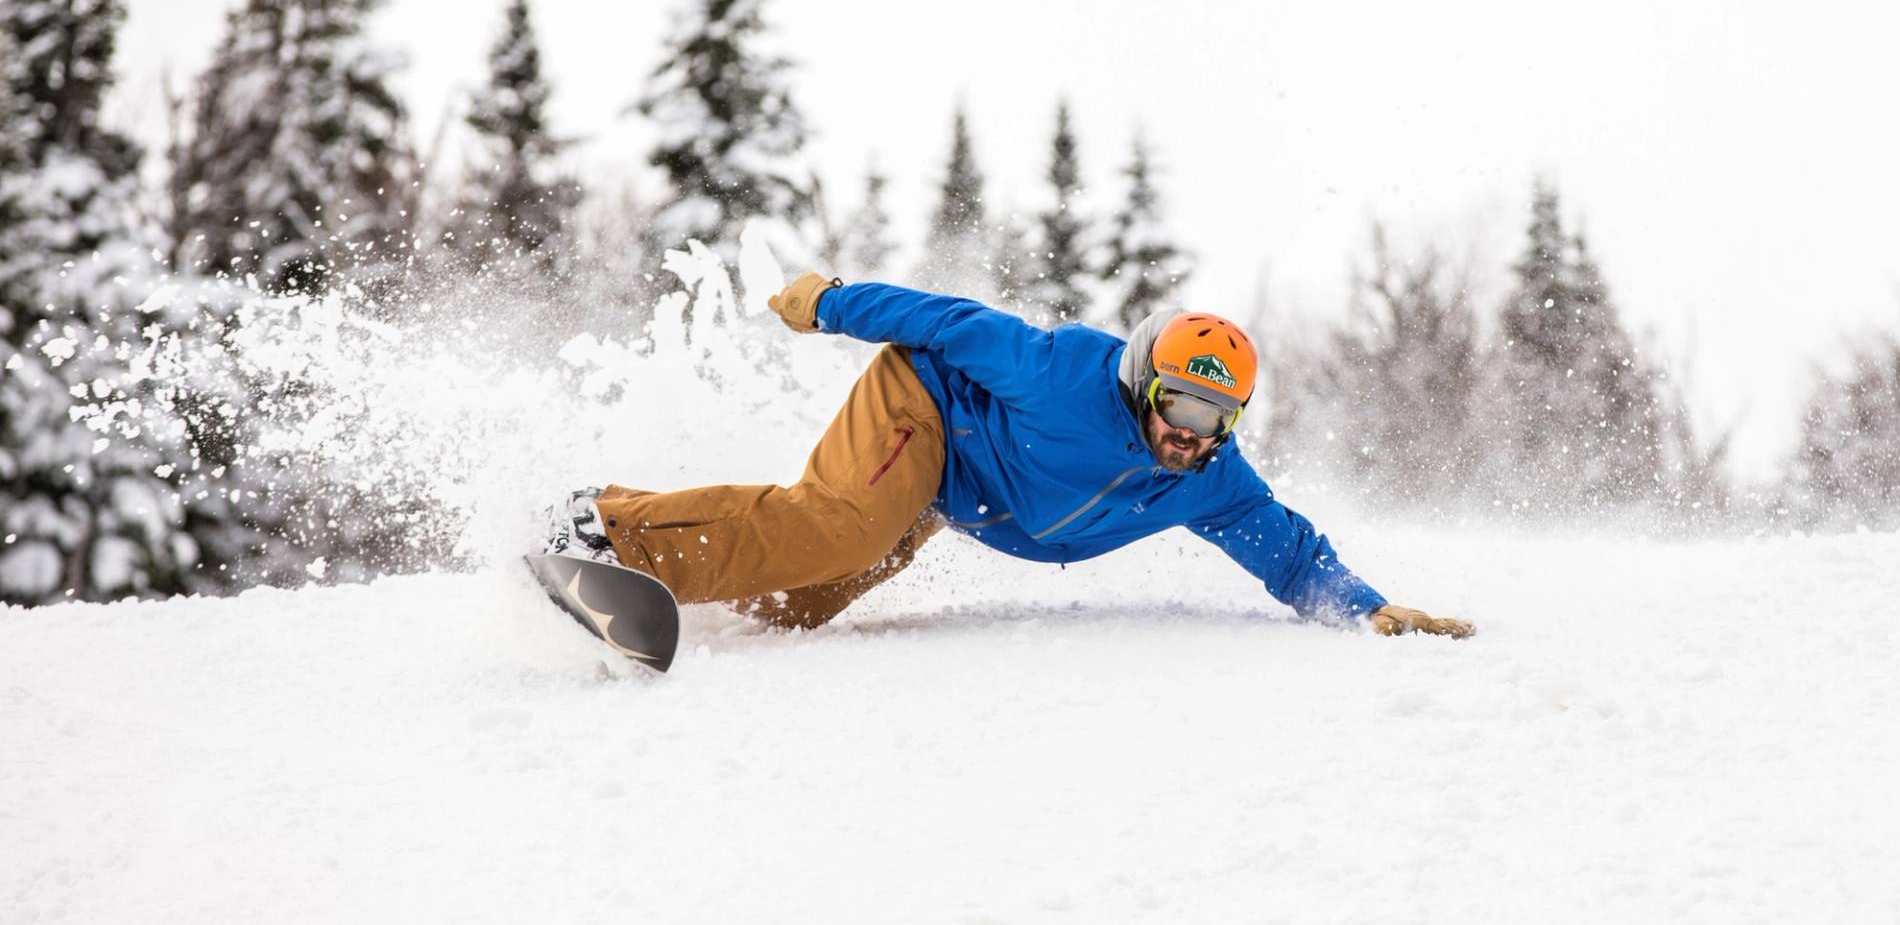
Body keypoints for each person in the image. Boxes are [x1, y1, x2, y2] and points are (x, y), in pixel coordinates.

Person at [547, 273, 1474, 638]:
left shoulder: (1211, 482)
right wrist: (827, 301)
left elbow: (1290, 551)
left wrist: (1365, 608)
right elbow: (951, 321)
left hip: (951, 493)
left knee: (814, 596)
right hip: (928, 411)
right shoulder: (1068, 376)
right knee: (838, 524)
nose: (1193, 428)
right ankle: (607, 528)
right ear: (1148, 383)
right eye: (1183, 402)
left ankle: (674, 590)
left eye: (1218, 414)